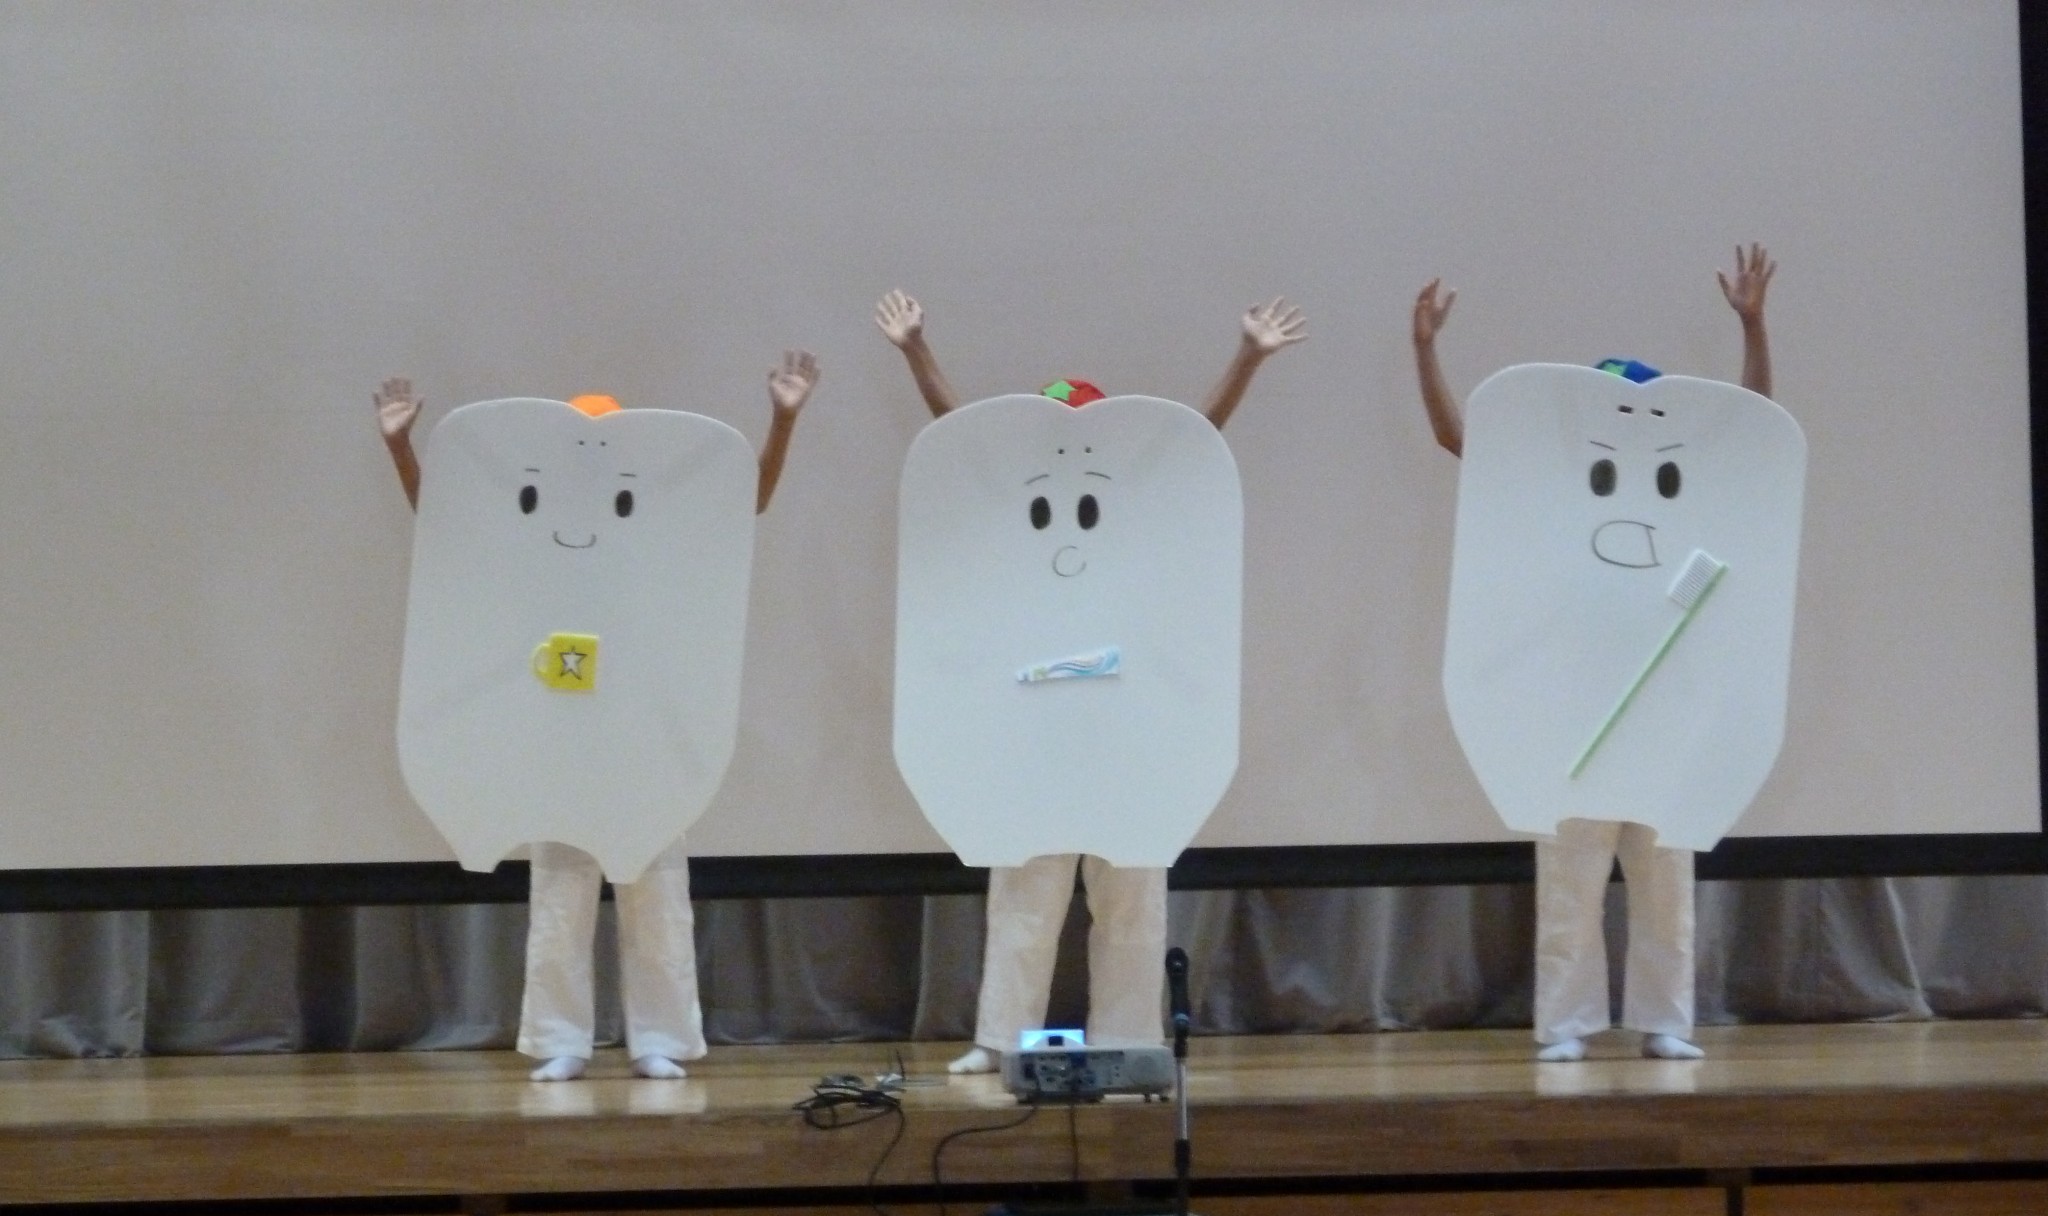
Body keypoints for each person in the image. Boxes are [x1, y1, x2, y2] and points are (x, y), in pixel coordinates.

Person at [876, 289, 1305, 1074]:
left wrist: (1247, 356)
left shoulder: (1133, 512)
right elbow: (969, 441)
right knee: (1024, 893)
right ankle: (1001, 1038)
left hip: (1126, 730)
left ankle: (1129, 1038)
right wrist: (916, 351)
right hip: (1037, 729)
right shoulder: (1023, 517)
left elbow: (1189, 441)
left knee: (1132, 894)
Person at [374, 351, 819, 1080]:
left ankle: (661, 1038)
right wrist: (400, 446)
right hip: (561, 728)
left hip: (643, 728)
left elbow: (745, 499)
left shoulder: (647, 520)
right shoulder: (534, 537)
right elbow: (451, 516)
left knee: (657, 886)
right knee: (560, 885)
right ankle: (560, 1040)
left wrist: (783, 419)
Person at [1412, 244, 1775, 1062]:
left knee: (1665, 876)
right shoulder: (1560, 491)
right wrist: (1426, 350)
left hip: (1665, 705)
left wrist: (1754, 326)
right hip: (1574, 713)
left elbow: (1755, 426)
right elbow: (1455, 437)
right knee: (1570, 878)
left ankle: (1665, 1019)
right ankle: (1568, 1023)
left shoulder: (1681, 489)